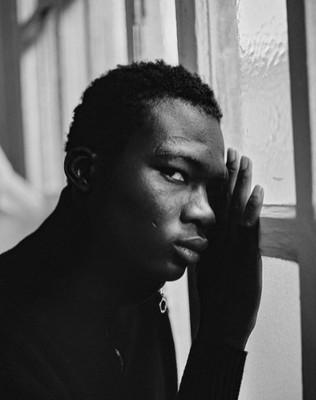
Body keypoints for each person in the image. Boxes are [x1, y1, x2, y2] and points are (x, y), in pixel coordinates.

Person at [0, 60, 264, 399]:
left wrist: (224, 328)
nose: (206, 213)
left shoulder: (138, 296)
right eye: (176, 174)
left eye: (212, 190)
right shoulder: (13, 341)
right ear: (85, 171)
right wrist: (221, 338)